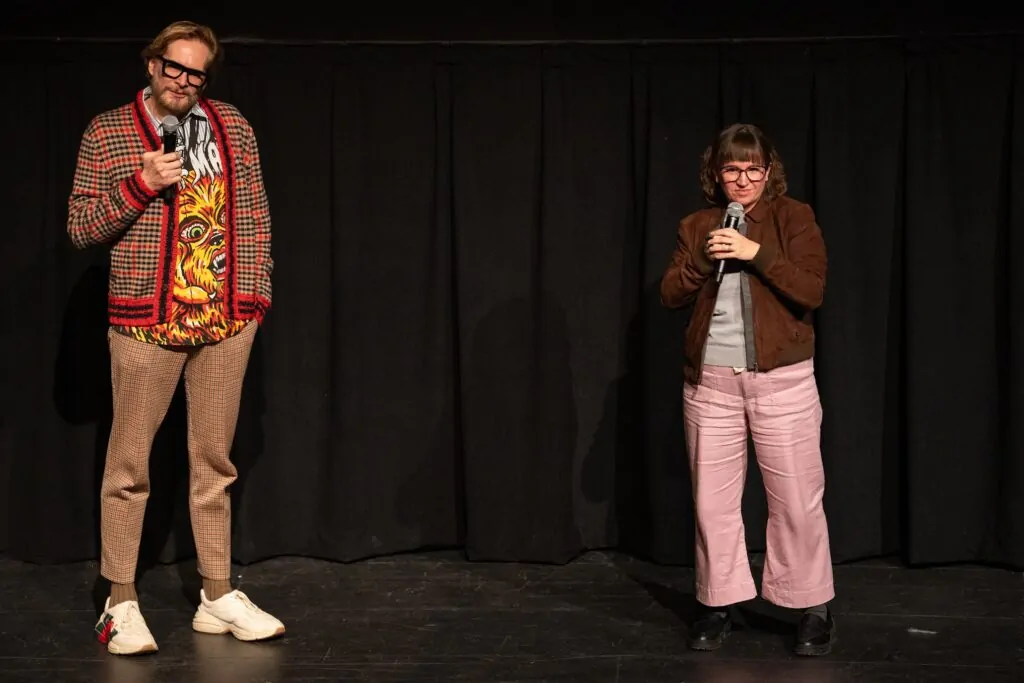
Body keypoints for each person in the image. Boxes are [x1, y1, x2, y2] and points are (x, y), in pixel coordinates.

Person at [67, 20, 283, 655]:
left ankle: (215, 594)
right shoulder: (109, 131)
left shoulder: (231, 125)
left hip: (224, 321)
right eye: (174, 66)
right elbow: (81, 228)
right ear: (152, 63)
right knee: (129, 466)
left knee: (214, 463)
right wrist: (142, 185)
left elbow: (256, 215)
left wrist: (255, 297)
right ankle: (119, 602)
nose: (183, 81)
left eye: (196, 73)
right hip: (146, 323)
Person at [659, 123, 836, 656]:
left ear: (768, 171)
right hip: (711, 385)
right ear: (716, 174)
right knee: (712, 504)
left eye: (752, 169)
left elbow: (811, 290)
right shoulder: (697, 225)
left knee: (797, 501)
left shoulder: (793, 217)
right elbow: (669, 294)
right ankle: (717, 604)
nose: (742, 179)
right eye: (732, 169)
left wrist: (754, 251)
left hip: (781, 383)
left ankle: (812, 606)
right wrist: (703, 260)